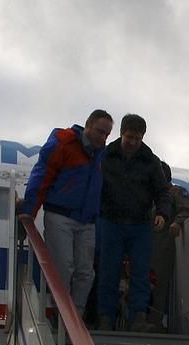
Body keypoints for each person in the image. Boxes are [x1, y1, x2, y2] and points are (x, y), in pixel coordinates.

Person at [19, 110, 114, 314]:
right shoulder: (63, 143)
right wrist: (30, 209)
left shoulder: (102, 155)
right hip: (60, 215)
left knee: (86, 273)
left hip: (87, 220)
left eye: (107, 134)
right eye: (99, 131)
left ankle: (74, 316)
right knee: (64, 267)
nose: (102, 137)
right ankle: (59, 312)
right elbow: (42, 175)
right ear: (87, 125)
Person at [97, 114, 172, 331]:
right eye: (130, 137)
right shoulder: (106, 156)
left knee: (140, 273)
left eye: (138, 139)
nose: (133, 142)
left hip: (140, 225)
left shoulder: (151, 161)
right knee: (108, 272)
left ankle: (138, 317)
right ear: (121, 133)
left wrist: (162, 213)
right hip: (111, 222)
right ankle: (105, 318)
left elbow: (162, 191)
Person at [147, 161, 189, 332]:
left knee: (160, 285)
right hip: (148, 246)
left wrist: (177, 223)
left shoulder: (175, 192)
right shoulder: (151, 196)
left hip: (164, 246)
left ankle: (155, 322)